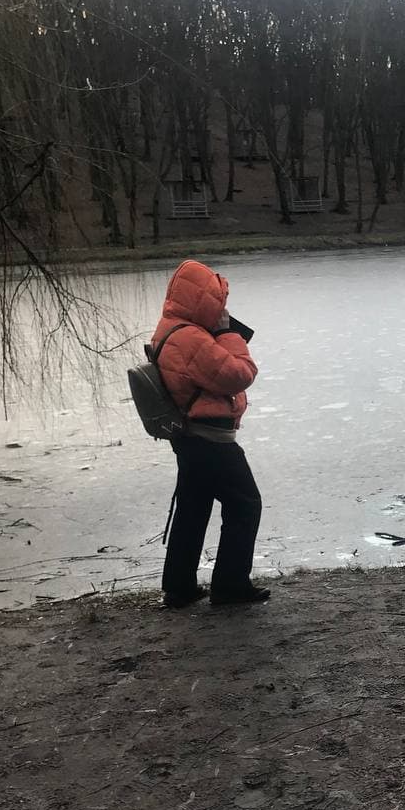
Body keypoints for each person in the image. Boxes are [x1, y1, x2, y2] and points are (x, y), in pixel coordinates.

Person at [151, 259, 269, 608]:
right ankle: (230, 585)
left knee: (193, 507)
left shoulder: (171, 329)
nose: (223, 308)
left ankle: (180, 586)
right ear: (202, 301)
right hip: (209, 440)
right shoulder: (190, 338)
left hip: (189, 437)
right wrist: (229, 333)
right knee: (245, 504)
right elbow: (238, 374)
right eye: (218, 301)